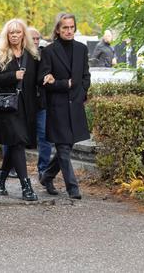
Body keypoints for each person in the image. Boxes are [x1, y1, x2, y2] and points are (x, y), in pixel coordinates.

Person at [38, 12, 91, 200]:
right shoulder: (49, 51)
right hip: (57, 106)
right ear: (58, 30)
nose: (69, 31)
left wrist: (81, 92)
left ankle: (47, 176)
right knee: (63, 148)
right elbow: (42, 80)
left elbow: (86, 76)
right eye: (65, 28)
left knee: (67, 145)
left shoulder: (82, 49)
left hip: (75, 105)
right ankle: (72, 187)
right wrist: (63, 84)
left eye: (71, 27)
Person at [0, 19, 40, 202]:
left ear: (23, 34)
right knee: (17, 143)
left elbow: (37, 80)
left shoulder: (31, 55)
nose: (15, 35)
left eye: (18, 32)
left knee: (14, 144)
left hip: (26, 107)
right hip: (7, 107)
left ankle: (1, 178)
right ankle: (26, 186)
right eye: (12, 33)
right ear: (7, 35)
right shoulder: (0, 53)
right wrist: (12, 76)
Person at [28, 27, 52, 179]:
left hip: (41, 103)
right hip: (23, 103)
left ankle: (43, 169)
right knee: (15, 137)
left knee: (45, 136)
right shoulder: (20, 55)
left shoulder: (44, 55)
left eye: (38, 38)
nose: (36, 41)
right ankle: (8, 167)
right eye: (33, 38)